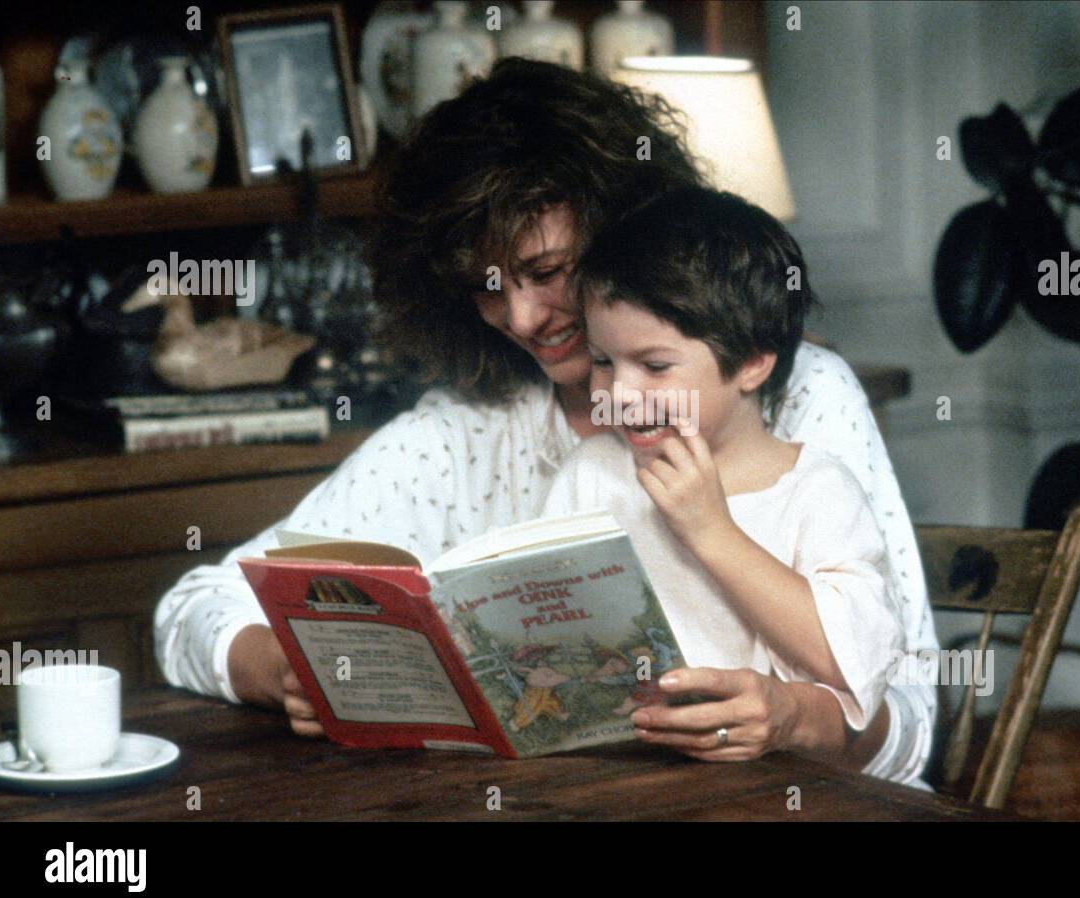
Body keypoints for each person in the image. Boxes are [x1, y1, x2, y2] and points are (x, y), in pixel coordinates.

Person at [153, 58, 938, 784]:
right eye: (488, 287)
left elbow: (909, 724)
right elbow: (192, 608)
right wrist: (282, 669)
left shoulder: (804, 401)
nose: (523, 317)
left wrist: (799, 718)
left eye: (548, 272)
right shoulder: (464, 433)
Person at [540, 186, 907, 767]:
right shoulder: (592, 474)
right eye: (605, 361)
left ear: (754, 361)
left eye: (655, 366)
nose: (620, 394)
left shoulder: (815, 491)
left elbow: (851, 664)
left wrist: (711, 531)